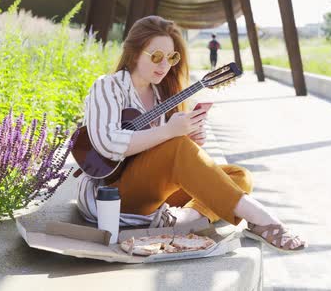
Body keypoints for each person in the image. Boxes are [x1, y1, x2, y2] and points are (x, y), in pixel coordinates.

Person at [75, 15, 306, 252]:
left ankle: (186, 219)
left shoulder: (160, 94)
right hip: (113, 194)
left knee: (239, 176)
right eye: (156, 57)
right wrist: (169, 133)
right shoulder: (108, 87)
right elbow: (108, 143)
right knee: (181, 151)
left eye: (171, 57)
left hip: (152, 192)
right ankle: (262, 219)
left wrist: (187, 138)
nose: (164, 65)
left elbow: (160, 154)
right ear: (134, 53)